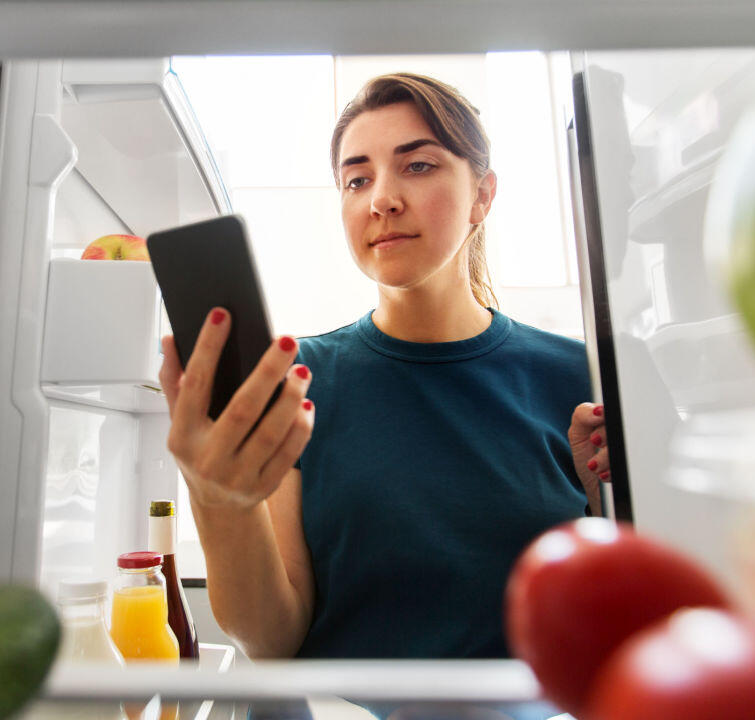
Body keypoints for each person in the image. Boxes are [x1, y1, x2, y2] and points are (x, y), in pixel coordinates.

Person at [158, 73, 610, 666]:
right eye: (356, 179)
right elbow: (269, 640)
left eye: (417, 166)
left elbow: (622, 613)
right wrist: (218, 500)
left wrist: (606, 506)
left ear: (483, 194)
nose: (381, 199)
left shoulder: (581, 375)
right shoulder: (297, 381)